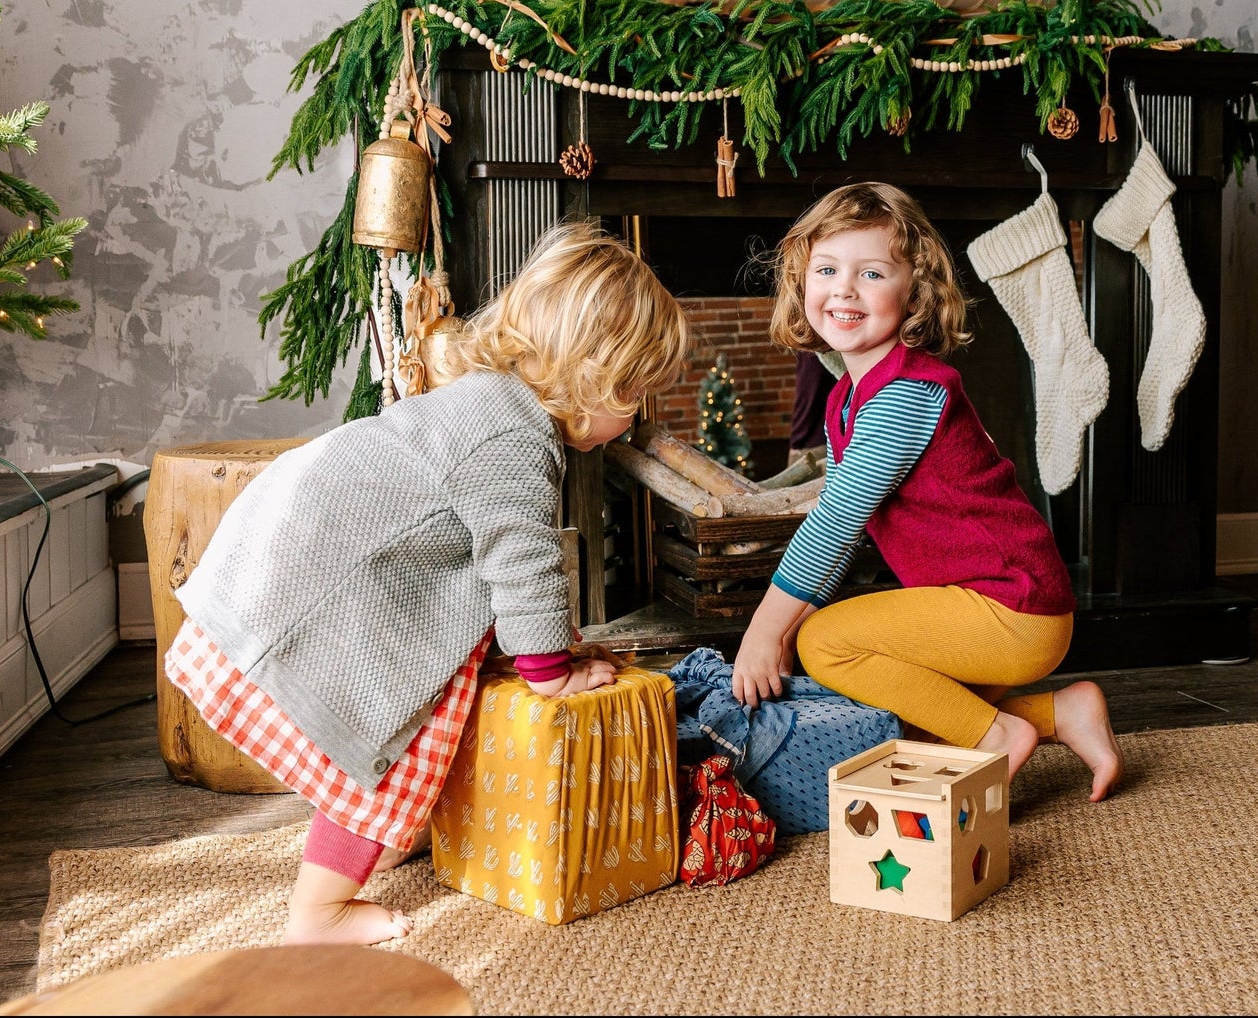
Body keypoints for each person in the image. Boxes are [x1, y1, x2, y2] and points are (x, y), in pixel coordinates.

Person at [163, 222, 690, 946]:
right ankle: (317, 916)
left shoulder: (491, 402)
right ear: (594, 376)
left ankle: (373, 850)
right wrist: (549, 674)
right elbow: (521, 559)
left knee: (411, 720)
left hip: (298, 558)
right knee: (390, 741)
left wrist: (549, 643)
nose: (634, 419)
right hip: (322, 590)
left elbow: (500, 560)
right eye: (636, 396)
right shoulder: (514, 436)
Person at [730, 182, 1123, 801]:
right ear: (802, 284)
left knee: (826, 643)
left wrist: (768, 630)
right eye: (827, 269)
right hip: (982, 607)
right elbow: (845, 539)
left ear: (915, 291)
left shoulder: (909, 391)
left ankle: (998, 736)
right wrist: (779, 634)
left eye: (872, 273)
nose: (845, 289)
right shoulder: (843, 400)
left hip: (1014, 608)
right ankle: (1057, 714)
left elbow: (833, 522)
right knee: (909, 734)